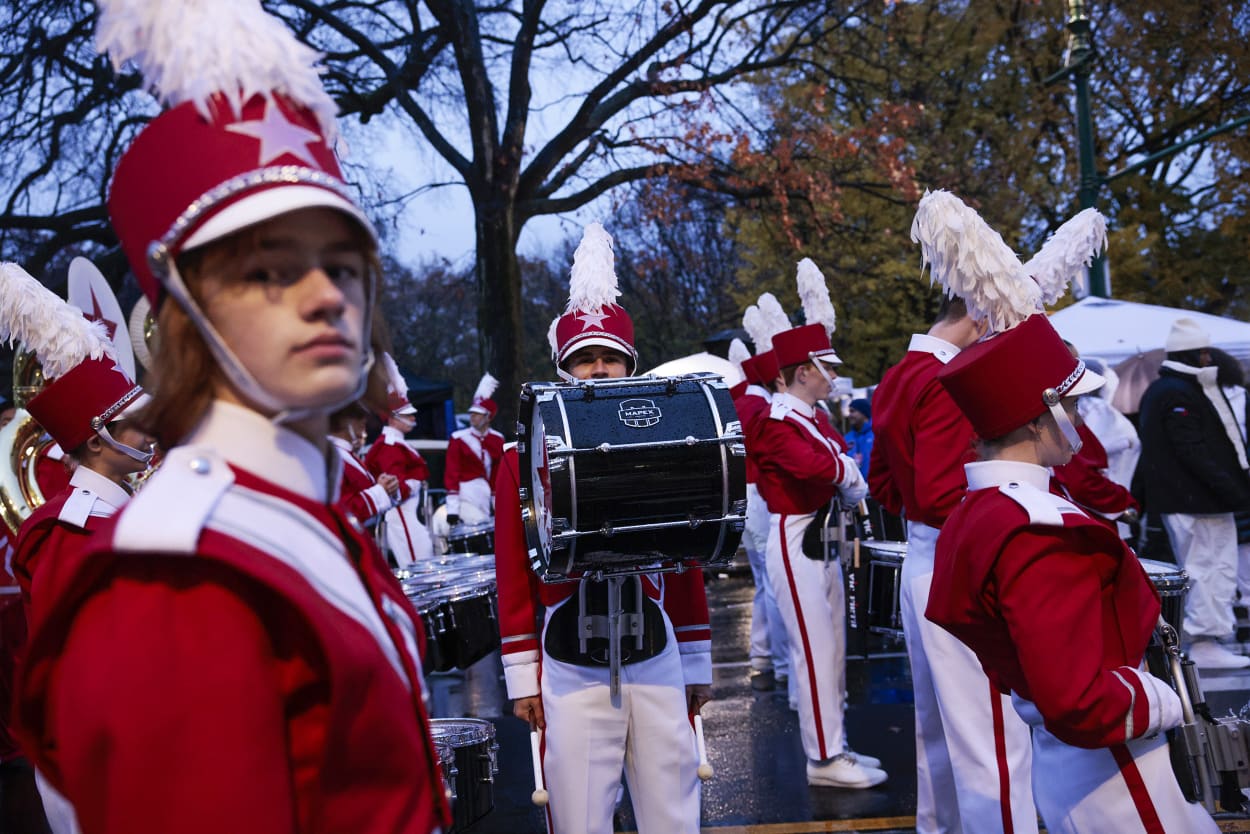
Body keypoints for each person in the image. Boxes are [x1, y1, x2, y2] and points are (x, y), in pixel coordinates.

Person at [13, 3, 451, 831]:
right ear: (182, 314)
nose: (327, 296)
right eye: (269, 272)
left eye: (342, 264)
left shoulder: (295, 512)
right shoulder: (180, 584)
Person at [928, 312, 1218, 834]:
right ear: (1042, 414)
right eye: (1073, 403)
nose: (1081, 416)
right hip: (1113, 764)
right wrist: (1163, 701)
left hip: (1072, 758)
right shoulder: (1038, 529)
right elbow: (1078, 700)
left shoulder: (985, 510)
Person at [495, 222, 711, 834]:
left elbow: (687, 545)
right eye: (583, 359)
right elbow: (511, 570)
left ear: (628, 364)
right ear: (564, 369)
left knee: (674, 804)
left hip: (658, 649)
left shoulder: (668, 440)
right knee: (579, 812)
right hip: (569, 658)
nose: (597, 369)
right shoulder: (521, 455)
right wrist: (521, 676)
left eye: (608, 358)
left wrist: (696, 661)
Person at [868, 294, 1037, 834]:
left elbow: (885, 483)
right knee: (993, 737)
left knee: (942, 733)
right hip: (958, 561)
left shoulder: (899, 373)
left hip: (926, 558)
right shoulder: (947, 377)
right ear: (980, 315)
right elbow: (944, 492)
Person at [753, 258, 887, 789]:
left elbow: (833, 459)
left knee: (831, 649)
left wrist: (843, 469)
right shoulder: (776, 417)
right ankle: (824, 756)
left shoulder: (811, 417)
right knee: (814, 651)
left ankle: (837, 746)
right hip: (796, 535)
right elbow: (813, 465)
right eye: (824, 367)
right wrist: (844, 470)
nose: (833, 375)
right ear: (802, 371)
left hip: (821, 535)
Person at [1135, 318, 1250, 670]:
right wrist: (1233, 489)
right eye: (1203, 353)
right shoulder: (1176, 392)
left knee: (1214, 567)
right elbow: (1192, 450)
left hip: (1197, 499)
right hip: (1196, 500)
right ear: (1195, 354)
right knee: (1207, 568)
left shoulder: (1170, 389)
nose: (1208, 359)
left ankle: (1206, 637)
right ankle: (1203, 639)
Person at [737, 299, 792, 695]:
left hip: (747, 496)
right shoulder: (761, 406)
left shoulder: (744, 402)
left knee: (763, 581)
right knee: (774, 582)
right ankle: (784, 663)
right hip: (758, 496)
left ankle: (762, 655)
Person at [364, 354, 434, 565]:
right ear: (394, 417)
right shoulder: (389, 446)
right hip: (401, 512)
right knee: (418, 565)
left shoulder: (395, 443)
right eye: (408, 415)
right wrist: (413, 484)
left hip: (408, 511)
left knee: (424, 557)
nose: (413, 419)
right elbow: (395, 488)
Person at [444, 372, 505, 527]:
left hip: (484, 496)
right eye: (472, 413)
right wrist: (453, 509)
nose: (473, 417)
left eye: (478, 414)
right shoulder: (458, 438)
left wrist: (497, 504)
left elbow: (497, 475)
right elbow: (452, 473)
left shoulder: (498, 439)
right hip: (465, 494)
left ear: (488, 417)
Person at [329, 402, 399, 527]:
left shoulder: (345, 454)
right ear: (342, 421)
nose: (364, 420)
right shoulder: (332, 457)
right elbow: (343, 510)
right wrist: (380, 490)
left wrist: (386, 488)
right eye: (357, 416)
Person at [844, 398, 874, 477]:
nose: (850, 415)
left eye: (852, 411)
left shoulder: (876, 435)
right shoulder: (847, 438)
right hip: (853, 487)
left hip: (874, 486)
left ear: (863, 413)